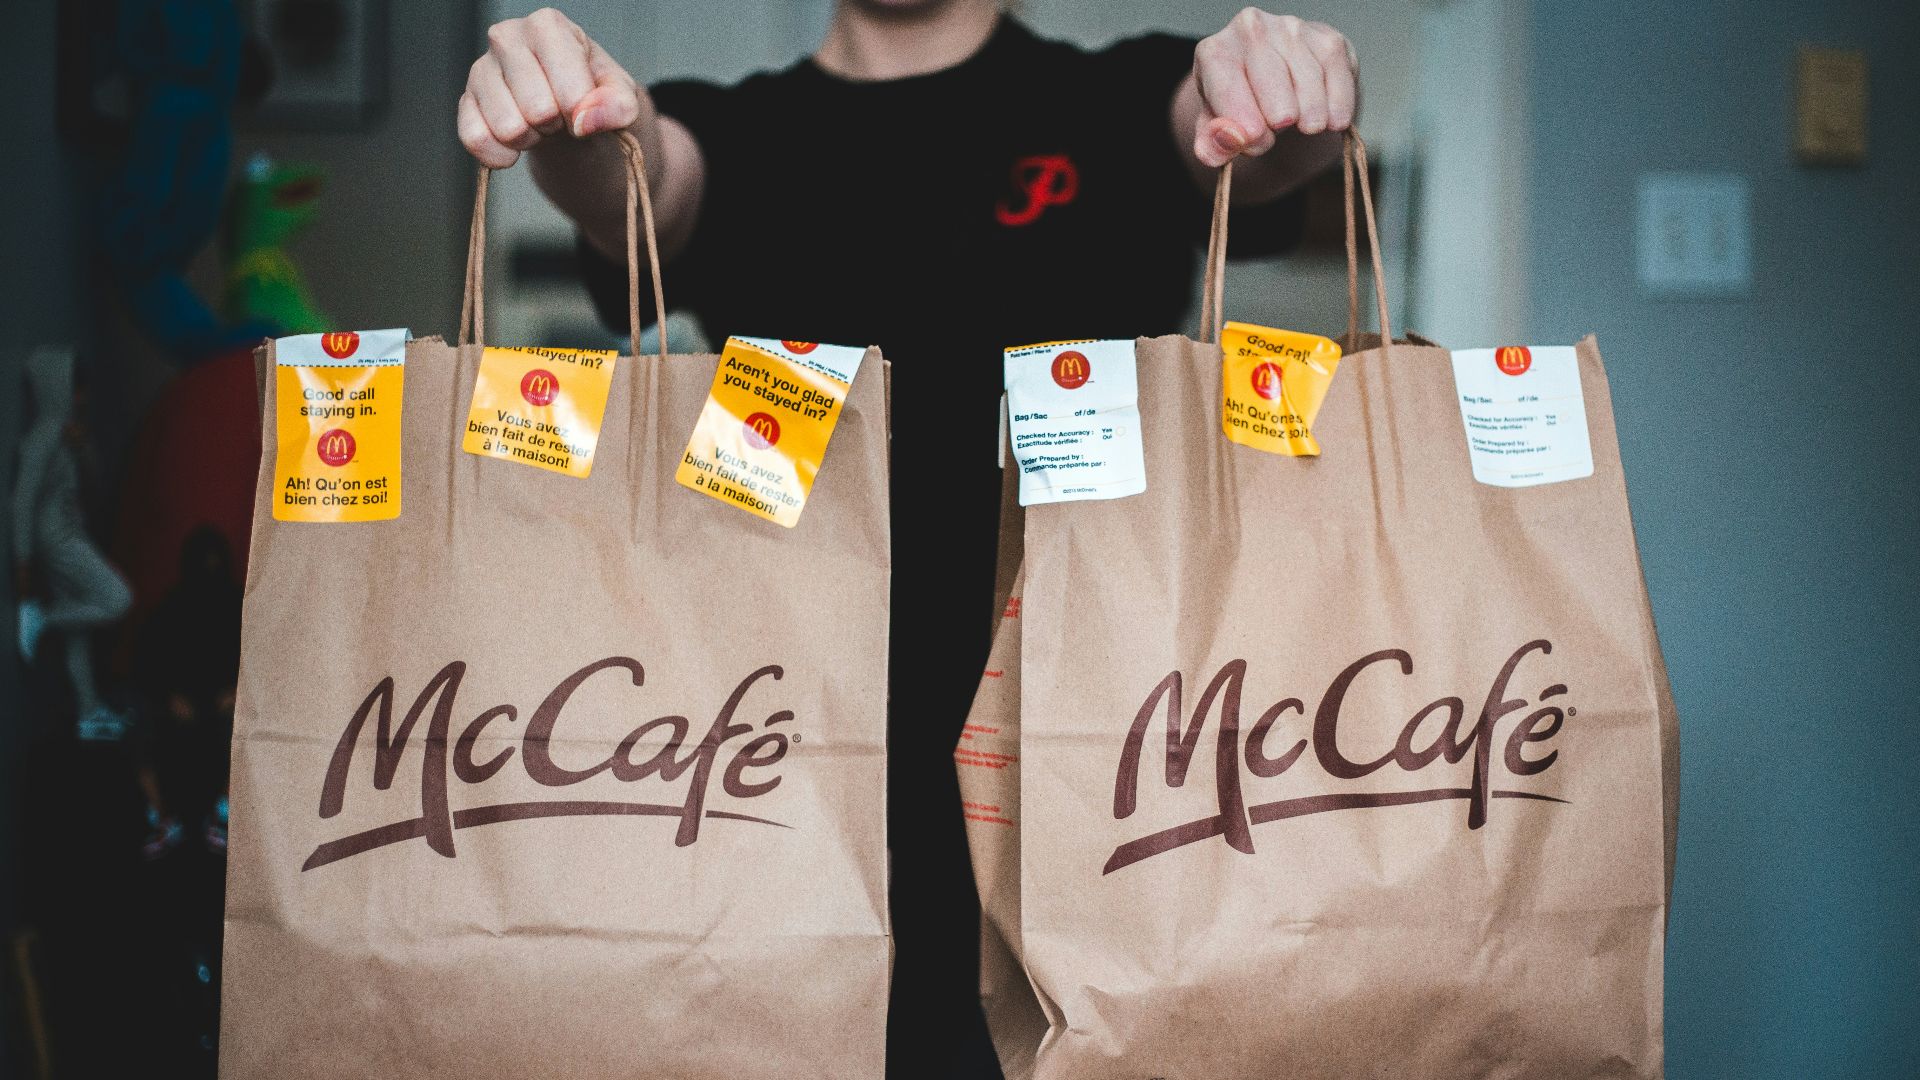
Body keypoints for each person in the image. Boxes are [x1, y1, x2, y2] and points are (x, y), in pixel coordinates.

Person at [456, 2, 1358, 1073]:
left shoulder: (1124, 98)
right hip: (782, 790)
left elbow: (1222, 139)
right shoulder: (730, 131)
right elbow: (643, 173)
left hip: (1105, 788)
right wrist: (580, 124)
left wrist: (1270, 89)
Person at [15, 345, 135, 741]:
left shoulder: (66, 433)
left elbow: (94, 486)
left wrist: (82, 448)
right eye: (76, 388)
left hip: (70, 535)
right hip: (59, 541)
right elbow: (22, 501)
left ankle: (89, 713)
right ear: (60, 387)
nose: (82, 398)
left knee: (79, 635)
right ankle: (45, 619)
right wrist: (23, 563)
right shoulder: (44, 436)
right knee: (118, 599)